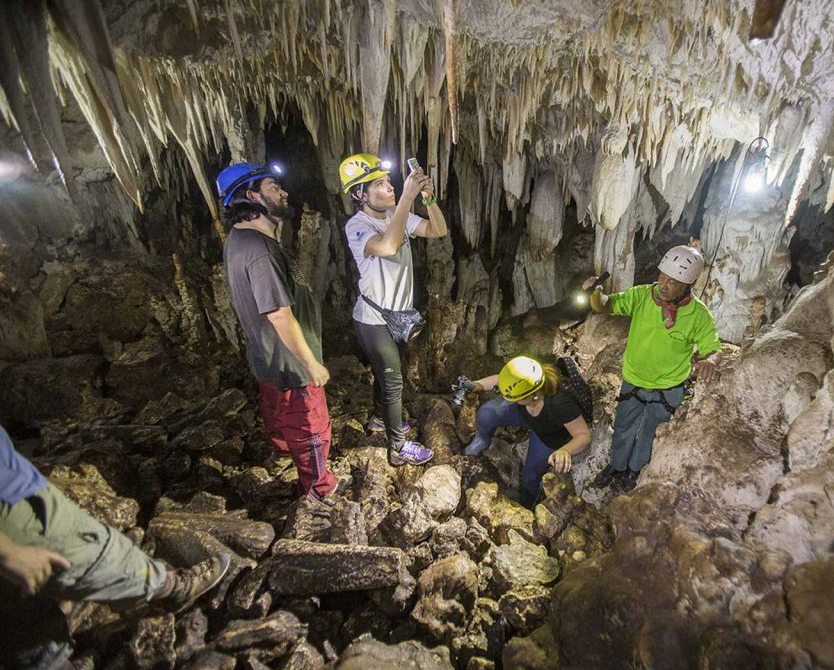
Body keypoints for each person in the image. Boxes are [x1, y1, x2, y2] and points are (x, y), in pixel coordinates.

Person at [0, 425, 229, 670]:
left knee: (15, 606)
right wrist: (8, 552)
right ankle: (173, 589)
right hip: (9, 504)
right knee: (97, 553)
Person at [216, 162, 338, 499]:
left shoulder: (242, 240)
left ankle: (287, 462)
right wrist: (310, 363)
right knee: (310, 426)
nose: (283, 192)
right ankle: (318, 490)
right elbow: (279, 315)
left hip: (268, 358)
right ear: (251, 195)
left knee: (281, 418)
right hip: (291, 362)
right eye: (273, 187)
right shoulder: (260, 251)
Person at [339, 154, 449, 466]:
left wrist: (427, 199)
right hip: (373, 320)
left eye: (389, 182)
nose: (389, 188)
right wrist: (406, 199)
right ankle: (398, 448)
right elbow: (387, 247)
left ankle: (378, 419)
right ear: (360, 194)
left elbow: (437, 230)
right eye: (379, 184)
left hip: (398, 317)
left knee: (386, 373)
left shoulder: (395, 216)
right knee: (393, 381)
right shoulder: (357, 225)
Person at [587, 245, 722, 491]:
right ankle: (616, 466)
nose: (663, 285)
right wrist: (596, 294)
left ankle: (634, 472)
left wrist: (710, 361)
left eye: (672, 281)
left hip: (668, 387)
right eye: (662, 277)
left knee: (649, 434)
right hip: (634, 380)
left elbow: (712, 347)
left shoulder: (699, 316)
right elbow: (606, 305)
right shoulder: (642, 296)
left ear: (687, 286)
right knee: (623, 428)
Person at [458, 357, 592, 509]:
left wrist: (565, 450)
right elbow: (501, 380)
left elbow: (583, 435)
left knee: (530, 478)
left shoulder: (561, 404)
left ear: (532, 396)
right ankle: (482, 439)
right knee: (486, 413)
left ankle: (527, 503)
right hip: (525, 414)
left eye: (515, 398)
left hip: (548, 435)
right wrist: (475, 385)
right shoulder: (525, 379)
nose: (510, 399)